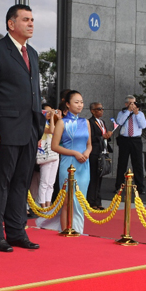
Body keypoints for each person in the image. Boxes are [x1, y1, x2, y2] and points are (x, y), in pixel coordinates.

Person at [0, 4, 46, 252]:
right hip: (3, 130)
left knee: (21, 183)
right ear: (11, 24)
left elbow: (34, 93)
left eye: (32, 20)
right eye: (25, 19)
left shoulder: (34, 54)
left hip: (29, 130)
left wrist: (38, 127)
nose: (31, 24)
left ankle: (17, 232)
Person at [36, 90, 91, 234]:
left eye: (81, 102)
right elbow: (55, 146)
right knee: (67, 200)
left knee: (80, 200)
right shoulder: (61, 122)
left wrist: (86, 153)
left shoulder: (85, 122)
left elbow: (90, 144)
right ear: (67, 104)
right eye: (76, 102)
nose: (80, 105)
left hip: (84, 165)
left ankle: (78, 229)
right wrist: (74, 153)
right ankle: (66, 230)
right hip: (68, 163)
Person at [114, 95, 146, 194]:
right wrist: (128, 111)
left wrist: (136, 114)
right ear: (126, 104)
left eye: (134, 103)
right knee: (122, 163)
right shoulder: (122, 113)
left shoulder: (140, 114)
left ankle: (140, 187)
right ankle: (119, 186)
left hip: (136, 140)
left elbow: (143, 125)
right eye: (131, 103)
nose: (133, 105)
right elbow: (119, 122)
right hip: (125, 140)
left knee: (138, 163)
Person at [87, 102, 113, 209]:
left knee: (100, 176)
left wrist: (107, 136)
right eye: (99, 109)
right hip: (94, 152)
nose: (101, 111)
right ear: (92, 111)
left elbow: (104, 137)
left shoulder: (102, 122)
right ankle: (91, 201)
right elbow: (90, 138)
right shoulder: (90, 122)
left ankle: (98, 201)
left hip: (103, 150)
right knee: (93, 177)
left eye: (102, 109)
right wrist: (101, 136)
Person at [37, 104, 61, 208]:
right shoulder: (41, 124)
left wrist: (58, 118)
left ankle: (48, 203)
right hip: (45, 153)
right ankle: (42, 204)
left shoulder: (53, 123)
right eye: (46, 112)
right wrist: (51, 117)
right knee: (44, 181)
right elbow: (51, 130)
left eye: (50, 111)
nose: (48, 114)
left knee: (51, 182)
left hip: (54, 153)